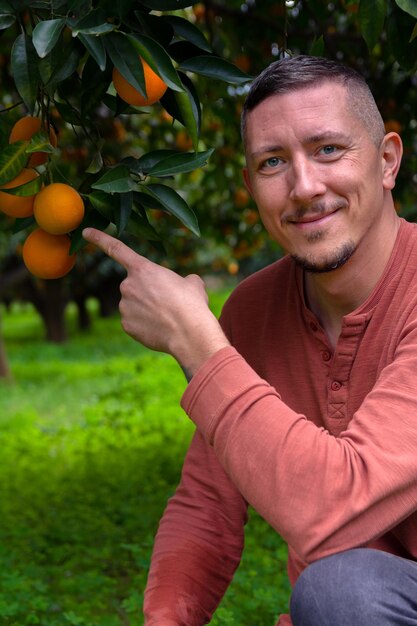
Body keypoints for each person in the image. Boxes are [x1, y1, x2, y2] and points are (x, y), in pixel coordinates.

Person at [83, 55, 417, 625]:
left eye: (329, 149)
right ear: (250, 186)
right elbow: (208, 505)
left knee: (341, 590)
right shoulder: (256, 310)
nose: (304, 187)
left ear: (387, 161)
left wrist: (197, 346)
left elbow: (333, 502)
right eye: (272, 162)